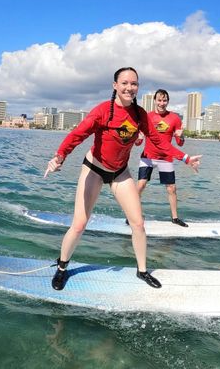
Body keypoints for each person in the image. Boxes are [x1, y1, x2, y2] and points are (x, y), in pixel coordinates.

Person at [44, 67, 202, 291]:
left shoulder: (140, 115)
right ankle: (62, 267)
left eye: (134, 83)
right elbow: (77, 135)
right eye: (125, 83)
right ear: (115, 85)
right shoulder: (102, 111)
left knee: (138, 223)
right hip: (95, 169)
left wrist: (185, 158)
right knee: (79, 224)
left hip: (120, 172)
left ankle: (142, 270)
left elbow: (159, 142)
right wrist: (59, 157)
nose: (130, 88)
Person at [135, 89, 189, 227]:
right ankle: (133, 215)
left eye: (164, 100)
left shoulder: (175, 118)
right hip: (147, 156)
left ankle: (175, 218)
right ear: (154, 101)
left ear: (168, 102)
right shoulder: (147, 117)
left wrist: (181, 135)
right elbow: (138, 143)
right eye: (159, 100)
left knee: (171, 188)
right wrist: (138, 138)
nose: (162, 103)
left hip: (166, 157)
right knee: (140, 185)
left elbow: (180, 143)